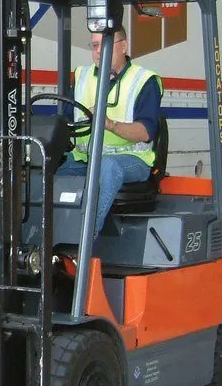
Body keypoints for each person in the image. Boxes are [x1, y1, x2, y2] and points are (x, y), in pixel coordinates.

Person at [57, 27, 163, 233]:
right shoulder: (83, 76)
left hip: (131, 161)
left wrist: (110, 124)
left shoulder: (144, 81)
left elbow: (145, 131)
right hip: (85, 159)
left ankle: (85, 241)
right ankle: (47, 240)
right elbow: (67, 121)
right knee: (49, 171)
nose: (98, 51)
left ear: (123, 46)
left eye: (104, 45)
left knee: (107, 166)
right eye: (94, 45)